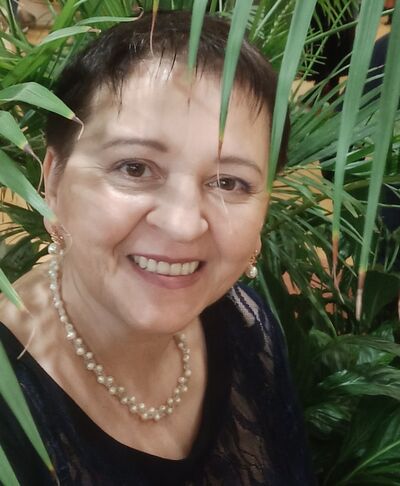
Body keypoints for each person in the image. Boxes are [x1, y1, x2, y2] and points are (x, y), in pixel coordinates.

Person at [0, 11, 314, 485]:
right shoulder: (12, 406)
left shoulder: (247, 324)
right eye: (134, 168)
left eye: (229, 182)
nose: (183, 224)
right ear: (54, 180)